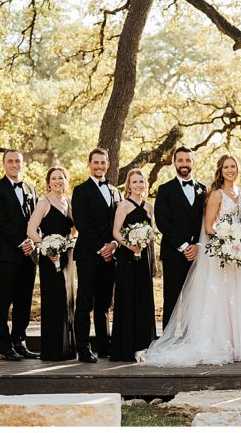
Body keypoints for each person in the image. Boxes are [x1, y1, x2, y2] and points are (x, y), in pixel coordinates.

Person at [144, 154, 241, 365]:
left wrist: (239, 240)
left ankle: (238, 344)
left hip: (237, 254)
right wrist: (227, 239)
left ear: (238, 169)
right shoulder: (216, 194)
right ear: (220, 170)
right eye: (226, 167)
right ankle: (214, 344)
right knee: (217, 299)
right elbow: (209, 226)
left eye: (233, 166)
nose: (230, 170)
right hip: (221, 253)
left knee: (236, 296)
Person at [0, 149, 38, 361]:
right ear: (3, 164)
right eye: (10, 161)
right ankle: (4, 346)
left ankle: (20, 341)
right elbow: (1, 221)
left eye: (18, 161)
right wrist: (21, 242)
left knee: (24, 301)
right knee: (4, 301)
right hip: (7, 254)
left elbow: (36, 220)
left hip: (29, 256)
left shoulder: (30, 188)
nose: (14, 164)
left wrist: (33, 242)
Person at [71, 147, 121, 363]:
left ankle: (104, 345)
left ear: (108, 165)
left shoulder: (115, 191)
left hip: (111, 254)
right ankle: (83, 348)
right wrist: (101, 248)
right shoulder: (80, 191)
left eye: (103, 163)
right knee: (85, 302)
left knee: (103, 304)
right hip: (89, 255)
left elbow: (118, 223)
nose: (99, 166)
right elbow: (83, 224)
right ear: (89, 164)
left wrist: (113, 245)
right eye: (96, 162)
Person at [26, 165, 76, 362]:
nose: (58, 181)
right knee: (53, 301)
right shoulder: (44, 202)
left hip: (66, 257)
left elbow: (74, 228)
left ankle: (67, 349)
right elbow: (31, 230)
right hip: (49, 258)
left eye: (61, 178)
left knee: (67, 299)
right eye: (54, 178)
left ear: (66, 180)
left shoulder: (69, 203)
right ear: (48, 182)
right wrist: (46, 248)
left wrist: (69, 242)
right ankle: (53, 350)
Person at [153, 146, 206, 328]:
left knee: (196, 300)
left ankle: (191, 339)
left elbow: (205, 221)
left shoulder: (203, 189)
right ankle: (169, 342)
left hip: (198, 255)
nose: (184, 164)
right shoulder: (165, 189)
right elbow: (162, 222)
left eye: (188, 160)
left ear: (193, 162)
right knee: (172, 301)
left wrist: (198, 245)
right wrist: (184, 246)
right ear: (174, 163)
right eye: (180, 160)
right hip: (174, 254)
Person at [110, 168, 157, 362]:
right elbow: (116, 232)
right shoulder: (123, 206)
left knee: (144, 299)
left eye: (141, 181)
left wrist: (151, 260)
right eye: (134, 182)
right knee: (128, 298)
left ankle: (144, 345)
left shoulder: (150, 207)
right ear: (129, 185)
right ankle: (125, 347)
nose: (138, 185)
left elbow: (151, 235)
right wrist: (131, 246)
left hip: (144, 257)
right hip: (127, 258)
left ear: (145, 184)